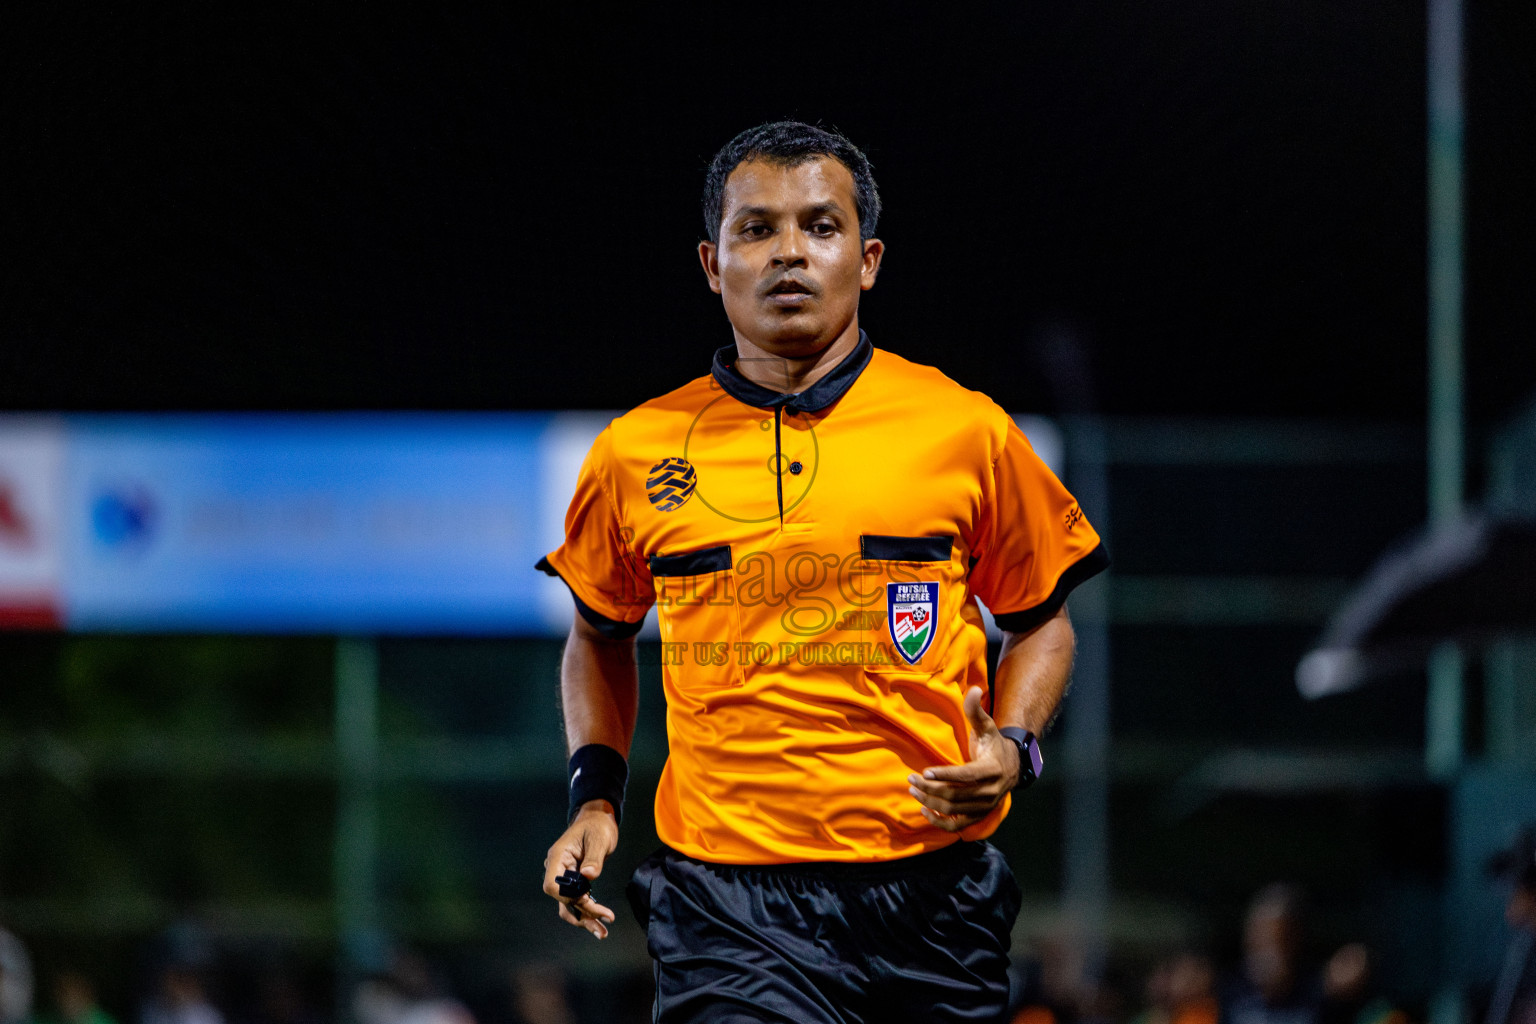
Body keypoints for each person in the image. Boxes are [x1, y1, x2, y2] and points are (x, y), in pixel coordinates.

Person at [537, 120, 1108, 1022]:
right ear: (711, 264)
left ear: (869, 259)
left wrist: (1014, 747)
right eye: (756, 229)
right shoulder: (632, 451)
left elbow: (1042, 619)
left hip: (934, 900)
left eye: (821, 226)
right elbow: (598, 635)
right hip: (727, 910)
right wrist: (595, 799)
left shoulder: (965, 430)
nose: (789, 252)